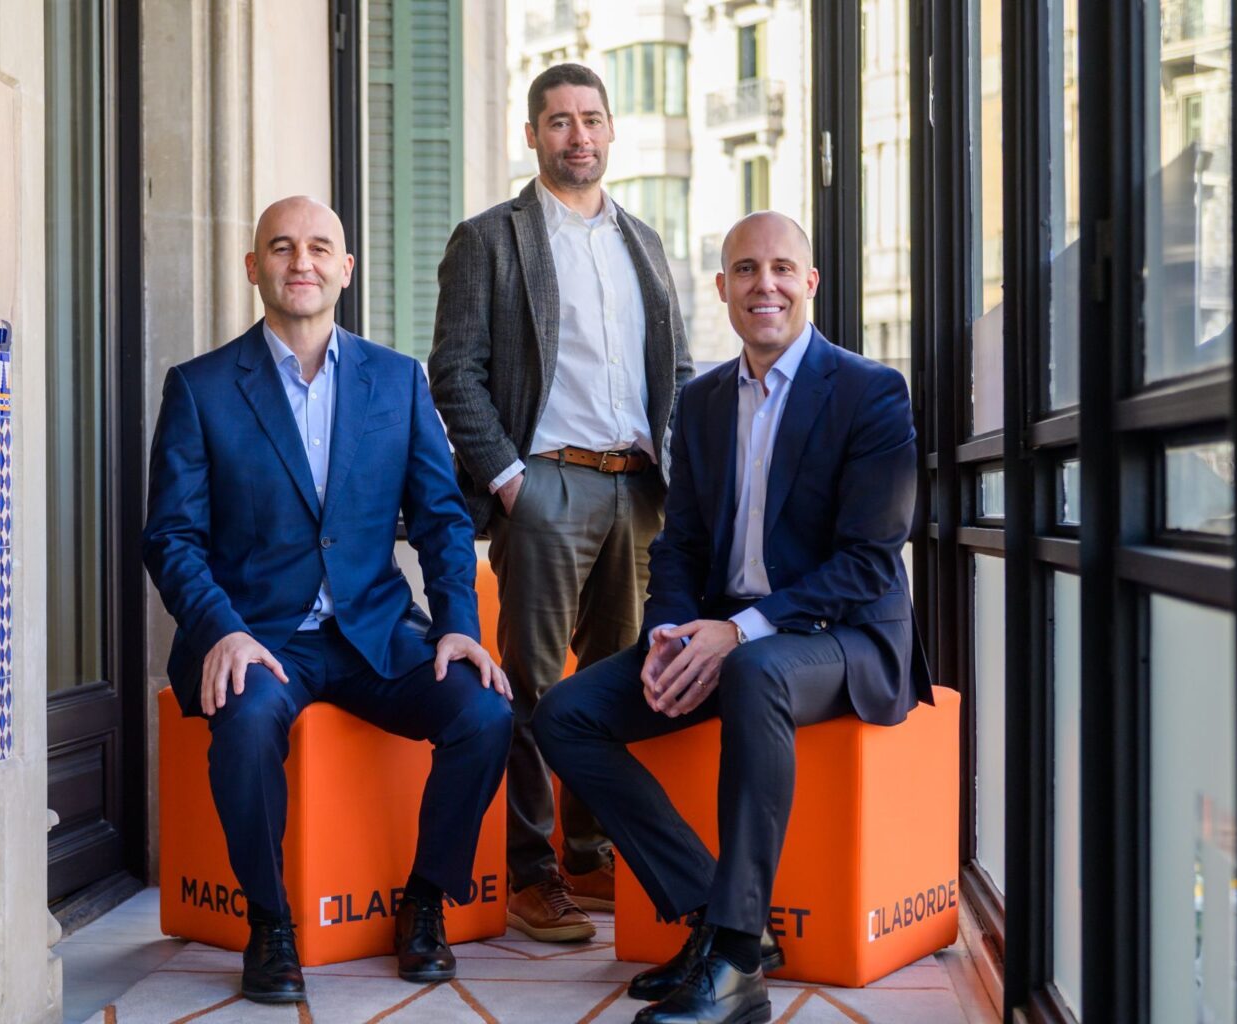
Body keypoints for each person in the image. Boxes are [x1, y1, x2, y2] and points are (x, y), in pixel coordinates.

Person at [533, 211, 933, 1024]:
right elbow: (679, 544)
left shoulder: (869, 391)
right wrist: (669, 635)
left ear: (810, 282)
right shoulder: (704, 401)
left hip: (847, 640)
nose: (765, 285)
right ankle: (709, 917)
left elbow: (869, 560)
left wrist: (740, 632)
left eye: (782, 268)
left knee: (754, 669)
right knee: (565, 714)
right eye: (746, 270)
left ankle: (739, 960)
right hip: (728, 639)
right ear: (722, 288)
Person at [142, 196, 513, 1005]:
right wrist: (221, 632)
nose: (300, 261)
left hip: (374, 631)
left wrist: (458, 625)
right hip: (260, 636)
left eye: (318, 248)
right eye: (281, 247)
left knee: (486, 713)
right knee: (245, 725)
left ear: (346, 269)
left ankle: (425, 902)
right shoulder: (201, 388)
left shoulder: (397, 380)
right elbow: (171, 537)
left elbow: (443, 518)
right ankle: (270, 923)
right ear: (254, 268)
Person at [429, 63, 693, 943]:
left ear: (611, 130)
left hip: (638, 490)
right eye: (559, 121)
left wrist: (676, 473)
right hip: (546, 485)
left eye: (591, 119)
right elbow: (454, 372)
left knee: (618, 682)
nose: (578, 136)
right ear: (533, 135)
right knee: (534, 685)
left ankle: (588, 854)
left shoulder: (642, 241)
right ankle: (532, 870)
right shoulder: (490, 239)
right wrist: (512, 481)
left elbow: (676, 370)